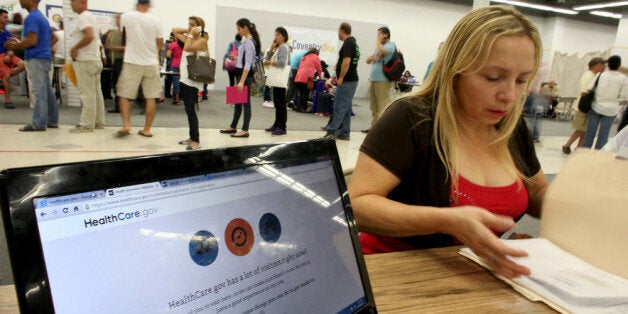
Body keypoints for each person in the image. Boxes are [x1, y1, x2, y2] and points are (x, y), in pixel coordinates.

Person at [348, 5, 548, 279]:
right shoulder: (412, 118)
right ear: (455, 69)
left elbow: (537, 194)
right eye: (493, 78)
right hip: (393, 274)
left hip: (475, 276)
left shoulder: (511, 127)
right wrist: (445, 221)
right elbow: (357, 206)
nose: (510, 96)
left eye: (522, 80)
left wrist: (586, 204)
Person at [6, 0, 58, 131]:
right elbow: (54, 38)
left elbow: (31, 41)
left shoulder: (32, 18)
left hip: (36, 59)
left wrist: (14, 46)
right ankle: (52, 120)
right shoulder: (42, 17)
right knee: (47, 91)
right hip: (44, 58)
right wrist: (44, 48)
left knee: (38, 91)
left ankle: (39, 123)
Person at [115, 0, 163, 138]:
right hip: (151, 63)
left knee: (124, 95)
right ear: (148, 5)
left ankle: (126, 125)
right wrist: (152, 51)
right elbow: (160, 42)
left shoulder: (128, 16)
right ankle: (147, 129)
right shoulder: (156, 20)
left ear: (137, 4)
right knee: (151, 97)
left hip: (132, 61)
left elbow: (119, 24)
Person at [68, 0, 105, 133]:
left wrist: (75, 49)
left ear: (82, 2)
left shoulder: (83, 17)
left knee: (87, 94)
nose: (71, 4)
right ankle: (98, 121)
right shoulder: (91, 17)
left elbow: (89, 35)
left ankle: (86, 124)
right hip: (94, 60)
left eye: (73, 1)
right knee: (96, 93)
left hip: (85, 61)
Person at [220, 18, 260, 138]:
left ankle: (245, 129)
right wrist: (236, 58)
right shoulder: (245, 40)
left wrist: (242, 82)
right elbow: (245, 59)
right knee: (237, 102)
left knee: (245, 103)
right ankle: (233, 126)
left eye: (239, 29)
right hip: (239, 72)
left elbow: (248, 64)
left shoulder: (249, 42)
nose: (238, 31)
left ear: (245, 28)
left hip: (244, 76)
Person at [172, 16, 208, 151]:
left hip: (192, 81)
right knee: (187, 109)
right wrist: (188, 30)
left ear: (199, 27)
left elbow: (187, 48)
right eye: (189, 24)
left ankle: (196, 140)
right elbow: (175, 31)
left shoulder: (202, 41)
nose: (189, 26)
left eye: (193, 24)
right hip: (184, 78)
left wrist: (191, 34)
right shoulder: (191, 37)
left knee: (191, 110)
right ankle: (191, 137)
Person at [323, 22, 360, 140]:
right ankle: (345, 132)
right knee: (347, 108)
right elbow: (346, 60)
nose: (338, 33)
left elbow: (347, 61)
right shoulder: (353, 42)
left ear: (342, 30)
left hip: (347, 81)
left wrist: (341, 77)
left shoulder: (348, 43)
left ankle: (331, 132)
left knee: (339, 106)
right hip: (352, 80)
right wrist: (338, 66)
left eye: (338, 30)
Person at [561, 57, 606, 154]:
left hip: (587, 108)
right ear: (596, 65)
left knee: (584, 131)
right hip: (583, 108)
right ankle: (567, 145)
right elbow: (584, 93)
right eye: (603, 66)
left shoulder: (594, 76)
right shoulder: (588, 76)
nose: (604, 68)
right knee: (581, 130)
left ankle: (578, 148)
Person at [583, 55, 628, 150]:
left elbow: (589, 88)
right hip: (611, 109)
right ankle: (599, 154)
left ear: (608, 64)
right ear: (619, 65)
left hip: (596, 107)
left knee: (590, 132)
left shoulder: (600, 75)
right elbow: (624, 95)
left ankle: (584, 153)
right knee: (604, 134)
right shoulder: (623, 78)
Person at [362, 26, 395, 133]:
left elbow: (381, 51)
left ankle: (381, 129)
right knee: (373, 105)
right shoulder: (380, 47)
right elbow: (368, 60)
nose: (377, 36)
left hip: (383, 80)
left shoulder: (391, 45)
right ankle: (374, 127)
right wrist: (375, 57)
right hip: (373, 79)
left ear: (385, 35)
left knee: (382, 105)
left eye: (379, 34)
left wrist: (378, 42)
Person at [263, 27, 290, 135]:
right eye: (275, 35)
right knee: (278, 103)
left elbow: (282, 63)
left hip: (281, 78)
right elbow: (268, 58)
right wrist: (271, 48)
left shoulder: (284, 47)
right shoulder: (279, 48)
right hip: (277, 78)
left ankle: (282, 127)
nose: (275, 37)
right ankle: (277, 124)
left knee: (281, 104)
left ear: (283, 36)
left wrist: (270, 63)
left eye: (277, 35)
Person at [0, 9, 25, 109]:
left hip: (7, 54)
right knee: (6, 76)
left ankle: (5, 76)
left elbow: (12, 47)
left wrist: (10, 54)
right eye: (5, 17)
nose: (7, 19)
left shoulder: (6, 32)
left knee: (23, 64)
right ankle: (8, 100)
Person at [104, 13, 124, 113]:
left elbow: (128, 47)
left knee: (120, 86)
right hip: (115, 61)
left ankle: (121, 107)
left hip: (122, 61)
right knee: (116, 84)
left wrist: (113, 48)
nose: (116, 20)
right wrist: (108, 40)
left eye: (118, 18)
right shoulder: (114, 32)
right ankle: (118, 106)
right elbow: (107, 46)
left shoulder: (125, 32)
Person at [293, 47, 322, 113]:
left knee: (301, 93)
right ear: (316, 53)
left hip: (298, 77)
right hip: (307, 77)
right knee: (305, 93)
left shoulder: (304, 57)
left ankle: (301, 107)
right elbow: (319, 68)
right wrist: (320, 76)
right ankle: (300, 108)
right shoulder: (315, 57)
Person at [166, 37, 183, 105]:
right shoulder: (186, 45)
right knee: (183, 82)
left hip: (175, 65)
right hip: (184, 65)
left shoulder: (173, 45)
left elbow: (168, 55)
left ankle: (176, 99)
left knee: (176, 82)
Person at [261, 40, 277, 108]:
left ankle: (235, 104)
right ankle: (266, 99)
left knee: (270, 86)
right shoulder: (270, 50)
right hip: (268, 70)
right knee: (268, 86)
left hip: (271, 70)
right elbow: (265, 60)